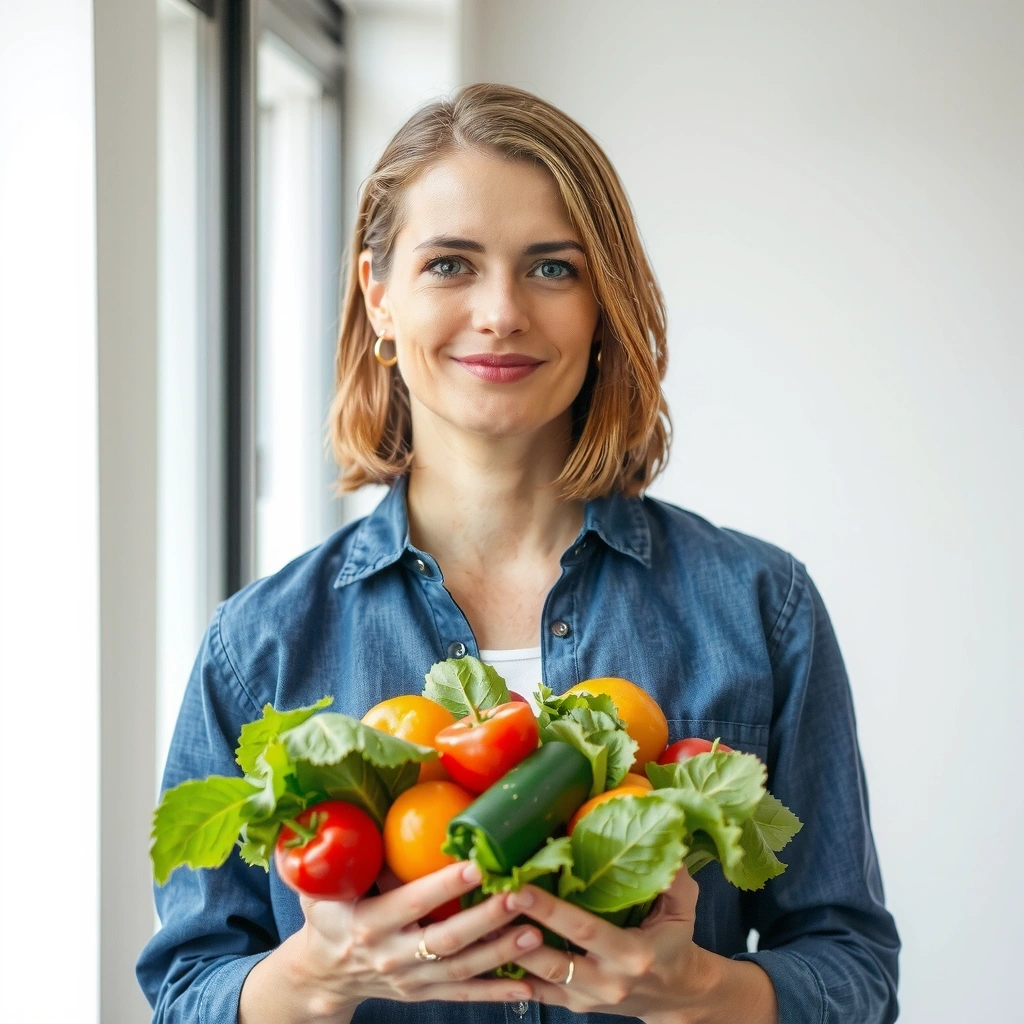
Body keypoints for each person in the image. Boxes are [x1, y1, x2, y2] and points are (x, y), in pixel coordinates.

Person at [137, 83, 900, 1024]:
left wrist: (702, 990)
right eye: (451, 264)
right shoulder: (256, 644)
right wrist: (315, 978)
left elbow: (855, 969)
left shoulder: (761, 605)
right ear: (380, 296)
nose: (500, 313)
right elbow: (185, 988)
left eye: (551, 269)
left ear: (601, 304)